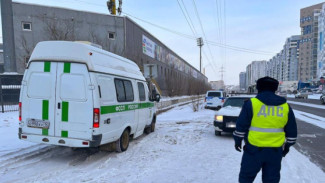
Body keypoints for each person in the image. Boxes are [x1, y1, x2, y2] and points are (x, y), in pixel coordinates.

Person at [233, 76, 297, 183]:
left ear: (258, 88)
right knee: (271, 180)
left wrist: (237, 141)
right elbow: (292, 132)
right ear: (275, 88)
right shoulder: (285, 107)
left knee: (246, 178)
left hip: (253, 150)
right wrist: (287, 147)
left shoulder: (251, 104)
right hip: (275, 152)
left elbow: (241, 126)